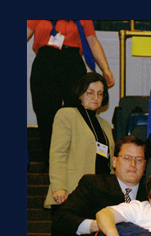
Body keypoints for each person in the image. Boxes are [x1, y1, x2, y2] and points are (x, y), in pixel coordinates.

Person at [27, 20, 114, 167]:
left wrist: (105, 69)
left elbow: (92, 41)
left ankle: (74, 159)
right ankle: (50, 162)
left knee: (75, 112)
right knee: (45, 111)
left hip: (72, 62)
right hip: (45, 61)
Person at [44, 72, 114, 209]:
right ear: (80, 93)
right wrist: (58, 186)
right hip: (72, 191)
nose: (96, 97)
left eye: (100, 94)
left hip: (100, 193)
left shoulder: (105, 125)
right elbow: (58, 154)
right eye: (90, 93)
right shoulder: (67, 115)